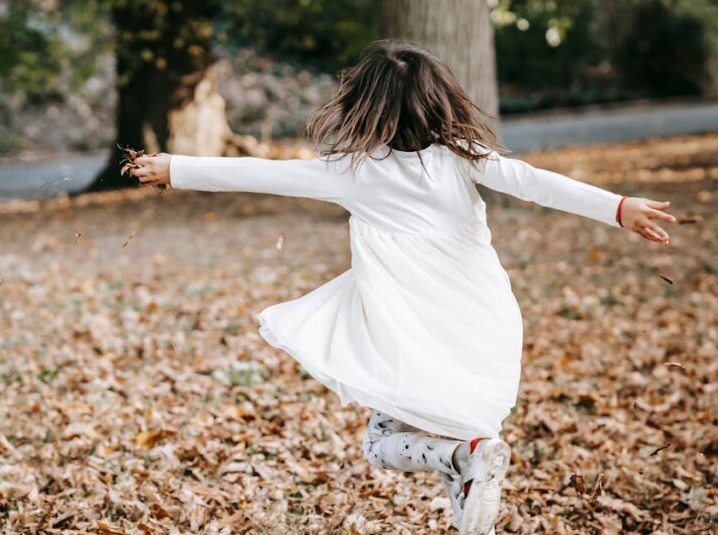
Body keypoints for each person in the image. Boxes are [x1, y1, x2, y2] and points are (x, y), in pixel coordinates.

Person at [129, 40, 676, 534]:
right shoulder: (466, 159)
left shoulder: (354, 171)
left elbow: (262, 173)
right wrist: (619, 208)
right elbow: (534, 183)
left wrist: (173, 168)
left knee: (383, 442)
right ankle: (471, 480)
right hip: (482, 321)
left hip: (408, 330)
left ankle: (465, 459)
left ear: (362, 105)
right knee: (464, 428)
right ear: (440, 100)